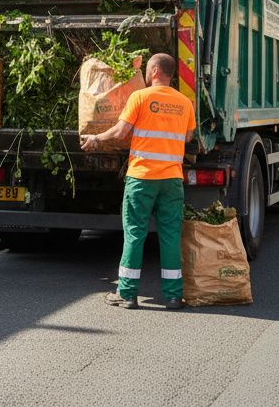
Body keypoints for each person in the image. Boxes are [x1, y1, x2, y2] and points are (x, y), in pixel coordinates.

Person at [81, 53, 195, 309]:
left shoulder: (140, 97)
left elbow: (121, 131)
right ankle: (174, 296)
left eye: (147, 70)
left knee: (134, 234)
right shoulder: (185, 102)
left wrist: (96, 139)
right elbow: (188, 137)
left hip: (142, 178)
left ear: (155, 72)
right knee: (170, 236)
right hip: (171, 180)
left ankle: (127, 293)